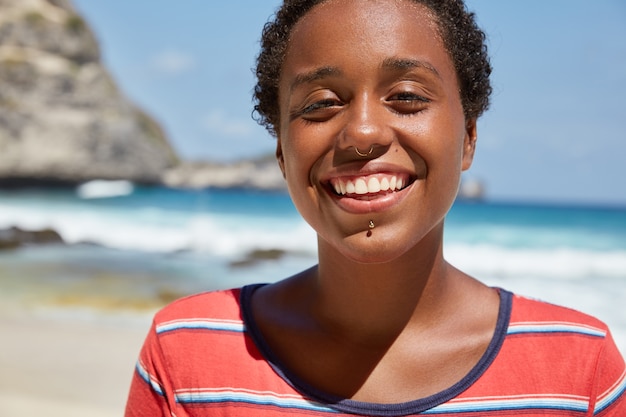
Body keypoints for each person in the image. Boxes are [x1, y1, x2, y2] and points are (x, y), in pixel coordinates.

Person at [124, 0, 626, 415]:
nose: (362, 131)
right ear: (281, 150)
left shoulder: (579, 370)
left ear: (469, 136)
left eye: (406, 96)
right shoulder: (187, 353)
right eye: (321, 103)